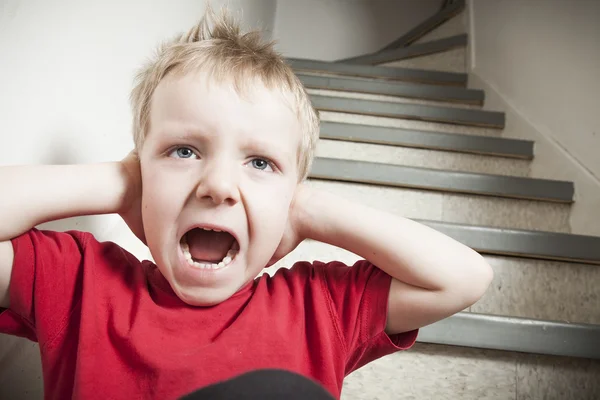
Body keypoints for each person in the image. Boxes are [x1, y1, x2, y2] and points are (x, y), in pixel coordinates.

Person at [0, 7, 493, 400]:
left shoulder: (320, 308)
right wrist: (122, 182)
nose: (219, 185)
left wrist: (305, 208)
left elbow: (463, 278)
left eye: (260, 163)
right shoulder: (79, 280)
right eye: (184, 151)